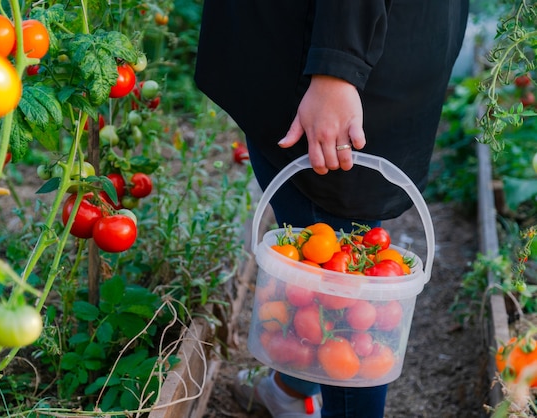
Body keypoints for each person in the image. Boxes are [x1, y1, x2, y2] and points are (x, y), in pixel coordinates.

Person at [194, 1, 469, 417]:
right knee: (318, 265)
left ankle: (320, 398)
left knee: (345, 308)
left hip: (333, 60)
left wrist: (337, 69)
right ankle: (292, 387)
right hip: (374, 40)